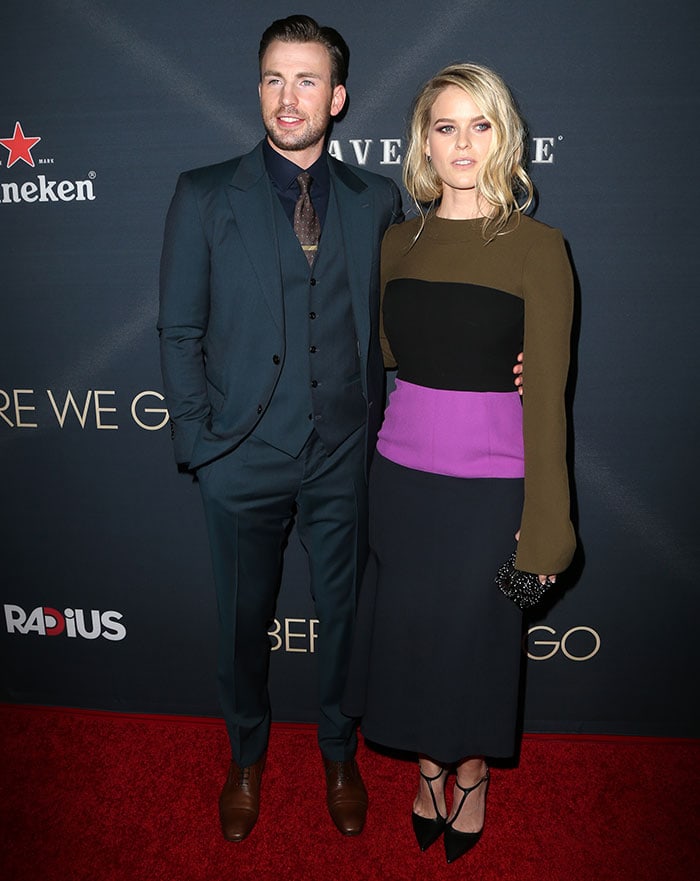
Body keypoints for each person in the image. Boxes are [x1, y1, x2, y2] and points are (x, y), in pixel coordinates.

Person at [158, 14, 403, 841]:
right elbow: (180, 330)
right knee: (241, 625)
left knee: (344, 619)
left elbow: (397, 322)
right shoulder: (203, 193)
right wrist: (202, 445)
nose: (287, 96)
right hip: (240, 457)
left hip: (343, 453)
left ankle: (340, 751)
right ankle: (245, 757)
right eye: (273, 78)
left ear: (336, 98)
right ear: (258, 90)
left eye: (305, 80)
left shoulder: (379, 200)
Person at [342, 63, 576, 864]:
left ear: (504, 136)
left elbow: (547, 401)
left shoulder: (538, 249)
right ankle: (428, 766)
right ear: (425, 143)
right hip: (399, 483)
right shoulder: (394, 244)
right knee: (408, 633)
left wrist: (545, 536)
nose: (463, 142)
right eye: (446, 126)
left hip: (492, 491)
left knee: (476, 635)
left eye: (480, 124)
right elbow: (384, 356)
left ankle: (471, 769)